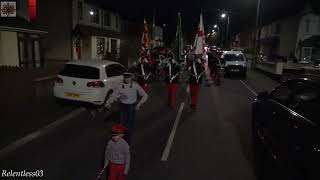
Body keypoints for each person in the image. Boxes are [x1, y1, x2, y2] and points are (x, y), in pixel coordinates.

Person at [105, 73, 148, 144]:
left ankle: (127, 142)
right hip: (122, 106)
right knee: (122, 124)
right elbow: (114, 95)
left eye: (128, 77)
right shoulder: (120, 86)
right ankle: (124, 140)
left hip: (131, 107)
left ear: (131, 78)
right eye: (125, 77)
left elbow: (145, 95)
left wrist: (139, 104)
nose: (127, 79)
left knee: (129, 125)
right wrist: (108, 103)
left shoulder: (135, 85)